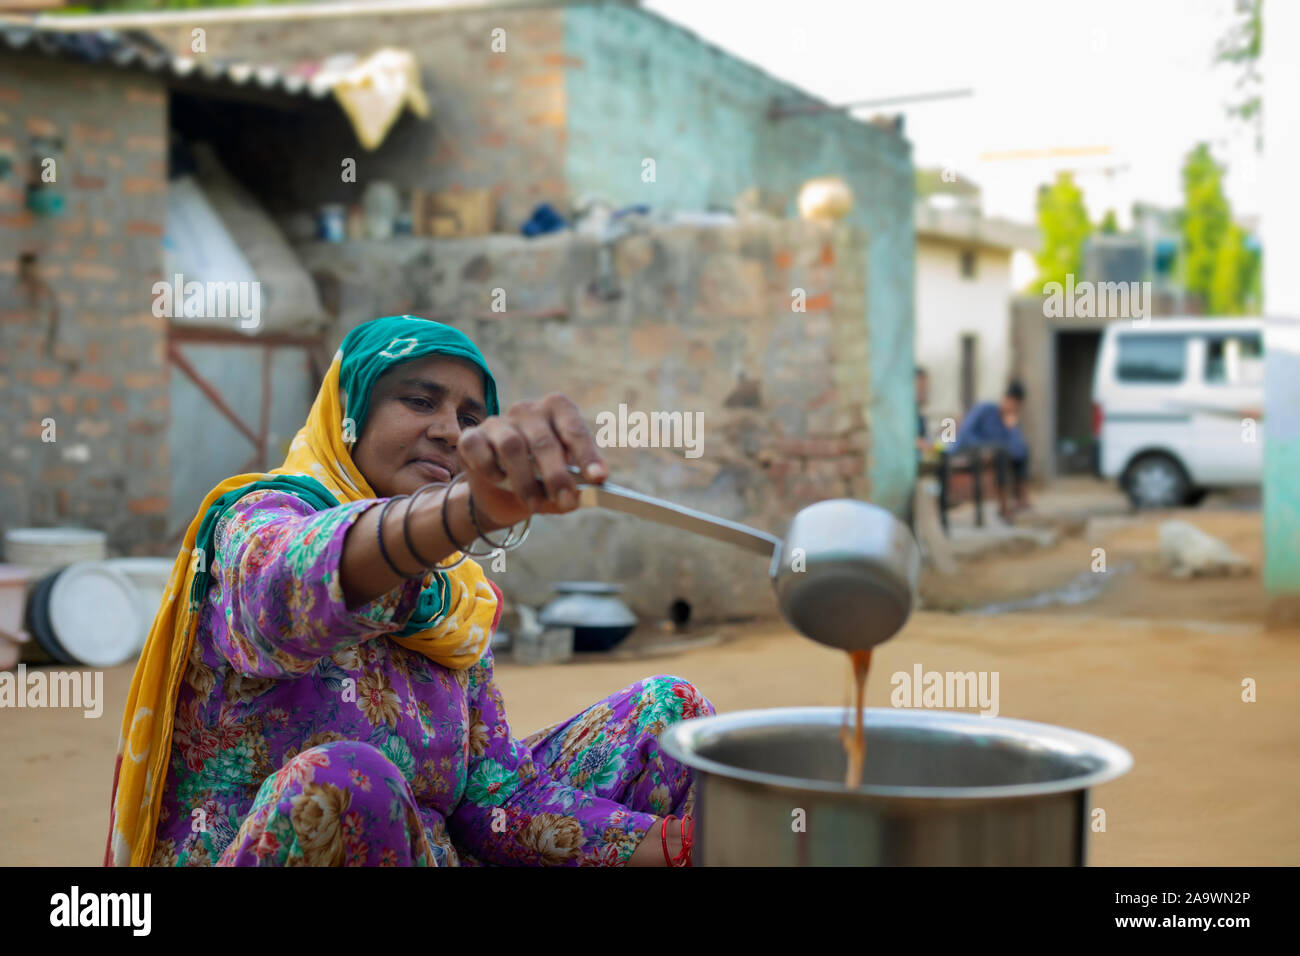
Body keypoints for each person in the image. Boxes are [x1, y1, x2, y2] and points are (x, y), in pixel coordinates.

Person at [106, 315, 711, 868]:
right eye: (419, 400)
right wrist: (456, 515)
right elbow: (286, 591)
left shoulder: (452, 597)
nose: (449, 431)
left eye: (472, 419)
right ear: (350, 410)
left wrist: (684, 848)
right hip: (273, 845)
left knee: (674, 717)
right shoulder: (260, 521)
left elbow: (494, 798)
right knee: (349, 781)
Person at [951, 381, 1031, 520]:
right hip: (967, 450)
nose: (1014, 408)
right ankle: (1003, 505)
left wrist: (1011, 428)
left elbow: (1017, 449)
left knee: (1022, 450)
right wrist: (983, 450)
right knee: (1000, 452)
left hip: (993, 454)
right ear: (1006, 399)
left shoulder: (1008, 421)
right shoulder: (985, 409)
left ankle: (1021, 498)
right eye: (1013, 404)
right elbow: (966, 433)